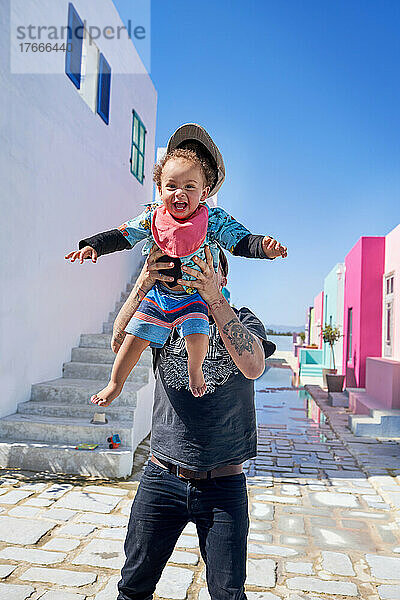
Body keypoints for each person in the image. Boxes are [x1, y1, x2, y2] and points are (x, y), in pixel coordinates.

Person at [65, 124, 287, 400]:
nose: (180, 193)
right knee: (134, 339)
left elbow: (240, 241)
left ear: (204, 193)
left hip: (194, 300)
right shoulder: (152, 218)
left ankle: (196, 372)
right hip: (159, 296)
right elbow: (124, 234)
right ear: (159, 189)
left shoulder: (213, 222)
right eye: (172, 186)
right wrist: (94, 246)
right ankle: (114, 384)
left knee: (196, 334)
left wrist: (264, 248)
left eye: (189, 187)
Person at [111, 243, 275, 600]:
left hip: (223, 485)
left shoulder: (244, 320)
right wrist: (144, 282)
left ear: (223, 277)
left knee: (227, 594)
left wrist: (214, 300)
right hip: (161, 476)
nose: (194, 274)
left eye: (204, 268)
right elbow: (118, 343)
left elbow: (253, 366)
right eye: (189, 267)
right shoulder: (163, 315)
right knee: (133, 586)